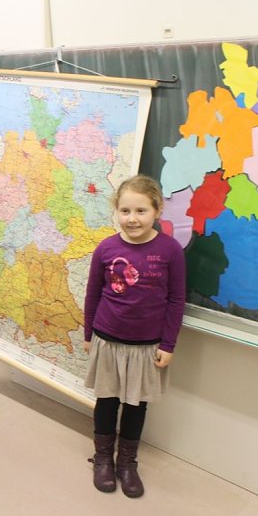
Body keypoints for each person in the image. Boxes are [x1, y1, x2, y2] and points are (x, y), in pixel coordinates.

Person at [83, 175, 186, 498]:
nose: (132, 218)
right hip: (107, 339)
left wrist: (168, 344)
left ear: (157, 210)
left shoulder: (170, 250)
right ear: (117, 211)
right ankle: (103, 460)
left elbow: (176, 299)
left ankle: (127, 463)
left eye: (141, 210)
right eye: (125, 210)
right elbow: (92, 294)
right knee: (107, 400)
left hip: (147, 346)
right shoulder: (106, 248)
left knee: (136, 405)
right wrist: (89, 334)